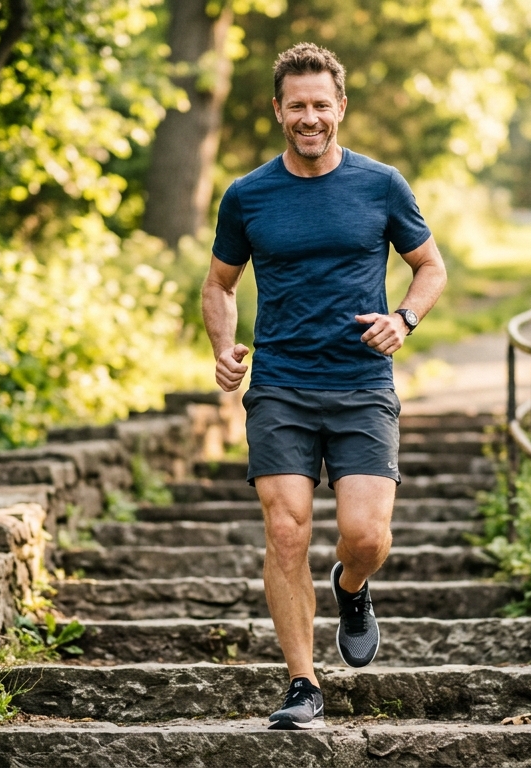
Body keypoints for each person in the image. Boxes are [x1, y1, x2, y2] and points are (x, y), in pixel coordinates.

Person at [201, 43, 447, 731]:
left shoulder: (381, 184)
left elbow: (430, 267)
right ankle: (303, 684)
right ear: (278, 110)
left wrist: (404, 318)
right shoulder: (247, 195)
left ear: (340, 108)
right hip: (280, 382)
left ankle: (351, 585)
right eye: (296, 105)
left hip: (362, 380)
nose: (309, 117)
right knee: (285, 531)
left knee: (366, 535)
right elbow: (218, 284)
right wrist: (225, 347)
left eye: (320, 105)